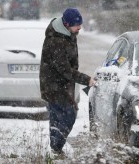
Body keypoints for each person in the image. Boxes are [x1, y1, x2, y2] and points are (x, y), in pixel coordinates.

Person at [39, 8, 95, 157]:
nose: (80, 27)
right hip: (54, 85)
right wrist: (86, 79)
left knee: (57, 118)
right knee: (69, 114)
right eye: (77, 25)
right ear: (67, 24)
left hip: (62, 84)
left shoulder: (68, 34)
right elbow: (65, 69)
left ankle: (55, 150)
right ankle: (56, 148)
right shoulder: (56, 41)